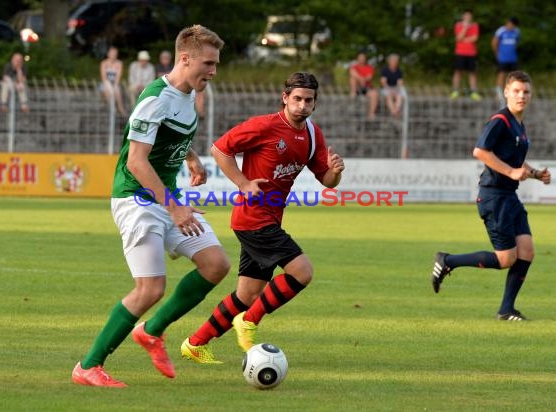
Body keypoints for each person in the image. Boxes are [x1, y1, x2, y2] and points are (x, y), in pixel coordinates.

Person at [72, 25, 229, 387]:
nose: (213, 71)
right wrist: (174, 207)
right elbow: (136, 163)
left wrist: (191, 158)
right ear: (185, 58)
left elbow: (170, 133)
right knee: (150, 289)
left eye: (216, 64)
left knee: (215, 264)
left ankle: (152, 331)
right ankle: (88, 366)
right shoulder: (155, 97)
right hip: (137, 199)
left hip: (165, 196)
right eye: (208, 63)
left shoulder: (187, 94)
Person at [179, 72, 345, 363]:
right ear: (285, 98)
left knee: (247, 294)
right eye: (296, 99)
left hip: (268, 219)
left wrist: (336, 171)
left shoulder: (312, 134)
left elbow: (326, 180)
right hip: (254, 218)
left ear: (315, 103)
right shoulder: (265, 126)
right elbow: (220, 149)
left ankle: (195, 343)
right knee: (302, 272)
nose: (302, 105)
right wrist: (244, 183)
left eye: (308, 100)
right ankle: (249, 321)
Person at [432, 71, 551, 321]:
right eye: (516, 91)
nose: (521, 96)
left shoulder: (519, 124)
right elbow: (480, 151)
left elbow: (515, 161)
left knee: (526, 251)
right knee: (506, 259)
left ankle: (506, 310)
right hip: (494, 197)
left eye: (526, 91)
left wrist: (535, 173)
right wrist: (510, 171)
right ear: (506, 92)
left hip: (510, 197)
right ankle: (448, 260)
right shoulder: (501, 120)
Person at [450, 10, 481, 101]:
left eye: (469, 16)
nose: (467, 17)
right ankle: (455, 91)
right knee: (458, 72)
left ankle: (473, 92)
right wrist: (465, 28)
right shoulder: (458, 25)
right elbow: (458, 38)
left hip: (471, 53)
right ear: (463, 16)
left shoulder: (475, 25)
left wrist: (464, 39)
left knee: (472, 72)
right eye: (466, 16)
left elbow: (475, 38)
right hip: (460, 53)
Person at [492, 17, 521, 104]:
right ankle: (499, 92)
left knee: (513, 75)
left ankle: (512, 91)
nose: (510, 26)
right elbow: (494, 42)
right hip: (503, 57)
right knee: (501, 74)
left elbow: (517, 42)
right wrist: (497, 54)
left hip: (513, 58)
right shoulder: (501, 31)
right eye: (510, 24)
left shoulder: (517, 32)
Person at [349, 51, 379, 119]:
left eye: (363, 58)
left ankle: (371, 113)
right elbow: (352, 73)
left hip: (366, 87)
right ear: (357, 59)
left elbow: (369, 77)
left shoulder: (369, 67)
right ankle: (353, 96)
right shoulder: (354, 67)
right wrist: (361, 79)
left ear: (365, 59)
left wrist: (362, 79)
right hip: (357, 87)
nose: (361, 59)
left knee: (374, 94)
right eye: (360, 58)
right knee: (352, 79)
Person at [100, 46, 126, 117]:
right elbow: (104, 78)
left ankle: (119, 108)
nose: (113, 55)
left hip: (115, 83)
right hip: (105, 83)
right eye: (112, 53)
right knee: (108, 90)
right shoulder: (104, 63)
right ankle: (114, 108)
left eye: (115, 53)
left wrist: (114, 86)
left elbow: (118, 77)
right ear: (108, 54)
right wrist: (111, 89)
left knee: (116, 89)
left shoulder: (119, 63)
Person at [380, 54, 404, 119]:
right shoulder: (385, 70)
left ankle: (396, 110)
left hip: (395, 88)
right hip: (386, 88)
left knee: (399, 96)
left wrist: (396, 90)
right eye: (393, 61)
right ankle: (393, 111)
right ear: (389, 62)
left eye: (396, 61)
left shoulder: (399, 71)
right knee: (388, 96)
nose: (395, 62)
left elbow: (400, 82)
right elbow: (383, 82)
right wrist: (390, 90)